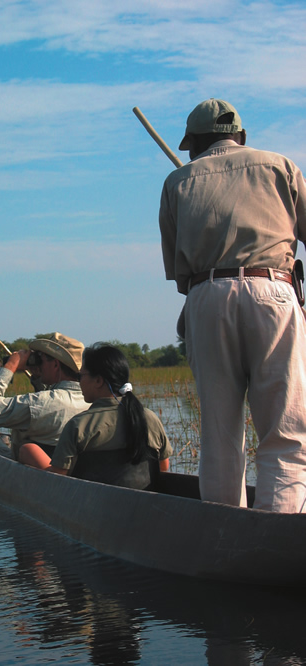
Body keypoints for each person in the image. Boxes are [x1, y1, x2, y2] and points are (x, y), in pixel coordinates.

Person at [158, 98, 306, 512]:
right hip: (273, 291)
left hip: (206, 295)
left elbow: (178, 272)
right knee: (285, 431)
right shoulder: (279, 166)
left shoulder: (178, 182)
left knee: (219, 435)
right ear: (241, 136)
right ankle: (279, 532)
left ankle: (225, 532)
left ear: (195, 144)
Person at [19, 344, 171, 489]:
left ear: (98, 381)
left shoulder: (79, 425)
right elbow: (163, 467)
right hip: (143, 501)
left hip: (91, 504)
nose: (80, 382)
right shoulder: (149, 418)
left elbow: (58, 480)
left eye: (81, 376)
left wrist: (29, 454)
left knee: (28, 449)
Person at [0, 332, 88, 460]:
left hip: (26, 466)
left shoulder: (40, 402)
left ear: (55, 365)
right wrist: (38, 378)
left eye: (41, 359)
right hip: (60, 465)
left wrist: (9, 367)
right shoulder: (91, 400)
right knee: (5, 437)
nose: (38, 364)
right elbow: (49, 405)